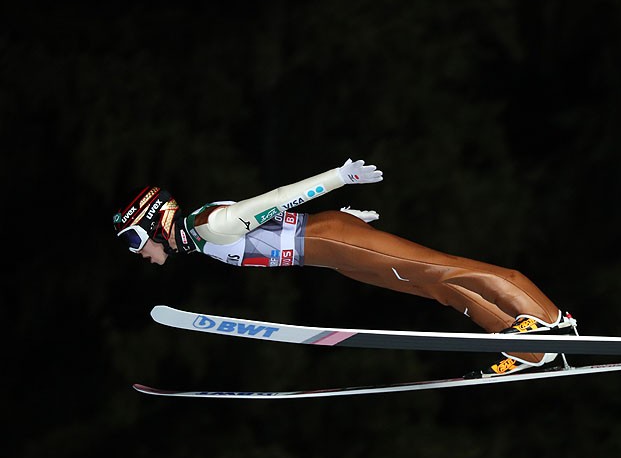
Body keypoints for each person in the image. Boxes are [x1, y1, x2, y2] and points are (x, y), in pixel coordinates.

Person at [112, 159, 574, 378]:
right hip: (335, 255)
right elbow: (274, 224)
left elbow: (274, 200)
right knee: (435, 288)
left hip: (334, 242)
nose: (140, 253)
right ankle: (528, 347)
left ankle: (551, 320)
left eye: (135, 241)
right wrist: (342, 219)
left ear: (156, 223)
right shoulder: (198, 237)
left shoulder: (209, 226)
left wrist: (338, 179)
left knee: (444, 270)